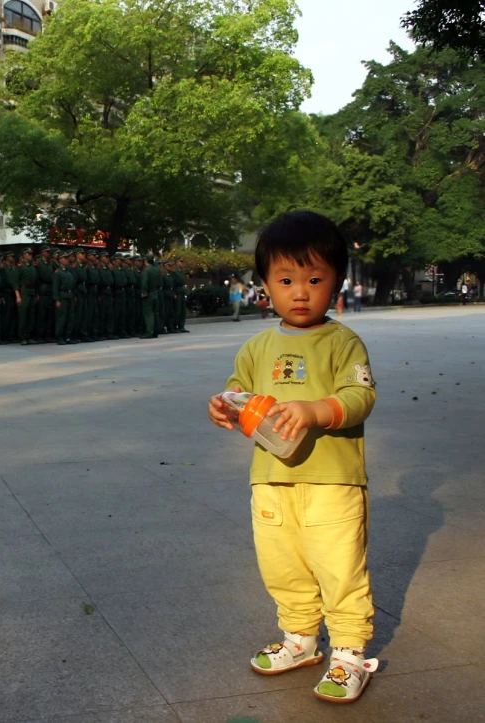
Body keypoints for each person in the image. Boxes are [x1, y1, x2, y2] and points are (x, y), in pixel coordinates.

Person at [208, 211, 378, 704]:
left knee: (339, 566)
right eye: (286, 280)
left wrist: (315, 409)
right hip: (271, 479)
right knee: (283, 565)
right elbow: (236, 393)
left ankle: (348, 653)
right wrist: (222, 406)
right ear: (264, 284)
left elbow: (361, 396)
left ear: (336, 283)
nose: (300, 292)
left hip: (334, 482)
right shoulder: (256, 346)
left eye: (314, 279)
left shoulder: (343, 342)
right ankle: (301, 640)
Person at [14, 247, 38, 345]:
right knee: (23, 315)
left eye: (31, 254)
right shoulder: (20, 267)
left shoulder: (32, 267)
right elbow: (15, 283)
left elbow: (35, 282)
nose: (31, 255)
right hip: (24, 291)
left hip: (32, 291)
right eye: (29, 254)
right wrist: (18, 296)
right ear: (24, 255)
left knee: (31, 315)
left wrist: (36, 294)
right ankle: (22, 337)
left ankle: (29, 336)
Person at [53, 251, 77, 344]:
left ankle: (67, 336)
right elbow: (55, 287)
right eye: (65, 258)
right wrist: (57, 300)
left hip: (69, 296)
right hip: (62, 296)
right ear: (60, 260)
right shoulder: (58, 272)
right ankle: (59, 337)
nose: (67, 260)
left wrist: (73, 295)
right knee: (61, 318)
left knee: (70, 318)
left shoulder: (68, 271)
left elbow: (72, 285)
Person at [140, 252, 160, 339]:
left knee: (149, 314)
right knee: (155, 313)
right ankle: (155, 331)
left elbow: (144, 282)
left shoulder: (147, 270)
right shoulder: (157, 269)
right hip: (155, 292)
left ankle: (149, 332)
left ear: (146, 261)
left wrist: (144, 292)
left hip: (149, 293)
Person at [0, 251, 18, 343]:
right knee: (6, 316)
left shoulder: (14, 268)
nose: (13, 258)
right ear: (7, 257)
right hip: (6, 293)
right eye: (11, 256)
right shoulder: (3, 268)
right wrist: (2, 295)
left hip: (13, 293)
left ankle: (11, 335)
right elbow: (2, 282)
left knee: (13, 316)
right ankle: (4, 336)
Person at [173, 258, 190, 332]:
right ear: (176, 263)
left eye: (182, 262)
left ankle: (181, 326)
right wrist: (174, 293)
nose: (182, 263)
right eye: (180, 262)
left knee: (182, 310)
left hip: (182, 292)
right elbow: (173, 284)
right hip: (177, 292)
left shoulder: (181, 272)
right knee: (177, 310)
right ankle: (175, 326)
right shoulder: (174, 272)